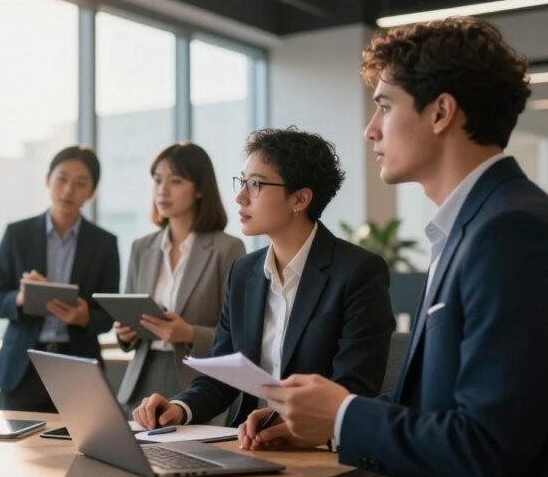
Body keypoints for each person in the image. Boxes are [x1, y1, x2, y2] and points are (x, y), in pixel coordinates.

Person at [260, 17, 548, 477]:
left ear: (441, 111)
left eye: (384, 106)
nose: (369, 129)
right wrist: (318, 424)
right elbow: (437, 409)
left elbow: (489, 445)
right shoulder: (476, 226)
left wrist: (343, 416)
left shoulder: (512, 234)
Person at [133, 128, 395, 437]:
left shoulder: (357, 272)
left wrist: (286, 422)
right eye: (242, 182)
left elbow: (353, 389)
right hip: (247, 444)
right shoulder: (244, 272)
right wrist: (180, 408)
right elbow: (221, 374)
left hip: (317, 454)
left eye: (255, 184)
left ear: (300, 199)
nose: (240, 196)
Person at [0, 145, 120, 412]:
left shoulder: (104, 243)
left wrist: (84, 317)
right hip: (23, 366)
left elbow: (108, 313)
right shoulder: (17, 234)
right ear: (48, 179)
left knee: (77, 448)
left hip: (78, 365)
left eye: (80, 183)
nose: (68, 190)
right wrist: (20, 298)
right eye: (61, 179)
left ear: (92, 192)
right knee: (19, 452)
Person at [114, 142, 246, 409]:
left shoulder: (227, 248)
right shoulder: (142, 247)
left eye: (175, 181)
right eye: (157, 180)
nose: (162, 190)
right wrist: (125, 333)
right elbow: (127, 311)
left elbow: (238, 334)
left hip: (196, 381)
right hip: (141, 379)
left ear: (199, 189)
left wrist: (189, 333)